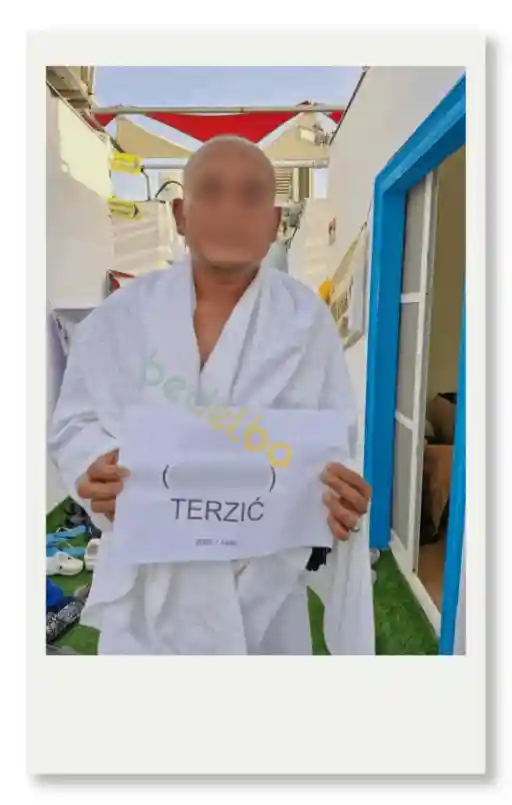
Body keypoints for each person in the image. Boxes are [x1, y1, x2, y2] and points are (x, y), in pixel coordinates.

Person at [50, 136, 373, 655]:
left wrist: (339, 494)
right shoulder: (120, 317)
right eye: (212, 191)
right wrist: (94, 467)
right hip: (149, 590)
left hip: (265, 588)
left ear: (274, 221)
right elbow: (75, 422)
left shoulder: (307, 321)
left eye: (251, 196)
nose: (231, 211)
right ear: (181, 214)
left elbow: (335, 440)